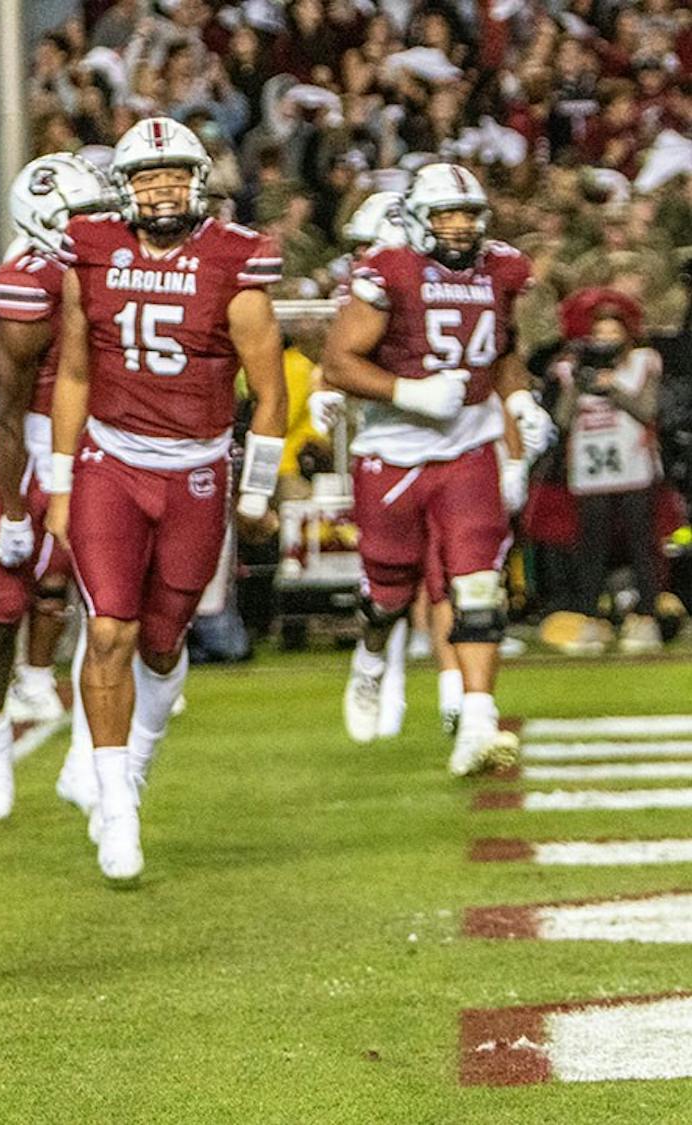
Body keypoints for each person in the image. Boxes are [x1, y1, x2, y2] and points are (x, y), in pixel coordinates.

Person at [46, 117, 288, 881]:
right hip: (110, 462)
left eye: (173, 175)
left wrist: (256, 491)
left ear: (198, 182)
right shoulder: (91, 250)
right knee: (109, 625)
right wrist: (59, 481)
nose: (160, 190)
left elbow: (271, 393)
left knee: (162, 639)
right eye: (147, 177)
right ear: (124, 188)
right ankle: (117, 803)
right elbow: (76, 375)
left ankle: (133, 764)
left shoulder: (232, 260)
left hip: (196, 470)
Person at [323, 163, 553, 777]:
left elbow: (504, 351)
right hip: (394, 452)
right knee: (389, 591)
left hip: (467, 449)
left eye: (468, 215)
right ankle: (372, 660)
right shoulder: (389, 271)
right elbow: (338, 364)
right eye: (446, 215)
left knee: (478, 585)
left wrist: (519, 402)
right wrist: (408, 391)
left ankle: (478, 721)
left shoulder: (501, 269)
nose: (458, 228)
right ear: (418, 219)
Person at [0, 152, 107, 821]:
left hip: (97, 452)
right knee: (1, 612)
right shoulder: (25, 288)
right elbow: (5, 413)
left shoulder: (112, 267)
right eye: (79, 217)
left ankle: (87, 754)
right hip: (25, 450)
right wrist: (14, 510)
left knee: (103, 607)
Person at [551, 288, 665, 654]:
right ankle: (590, 618)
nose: (605, 343)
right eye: (599, 335)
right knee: (591, 548)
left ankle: (645, 617)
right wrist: (576, 380)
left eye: (613, 335)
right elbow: (563, 418)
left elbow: (647, 410)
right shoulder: (573, 366)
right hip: (590, 468)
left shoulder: (642, 361)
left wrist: (610, 386)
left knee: (641, 543)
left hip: (633, 464)